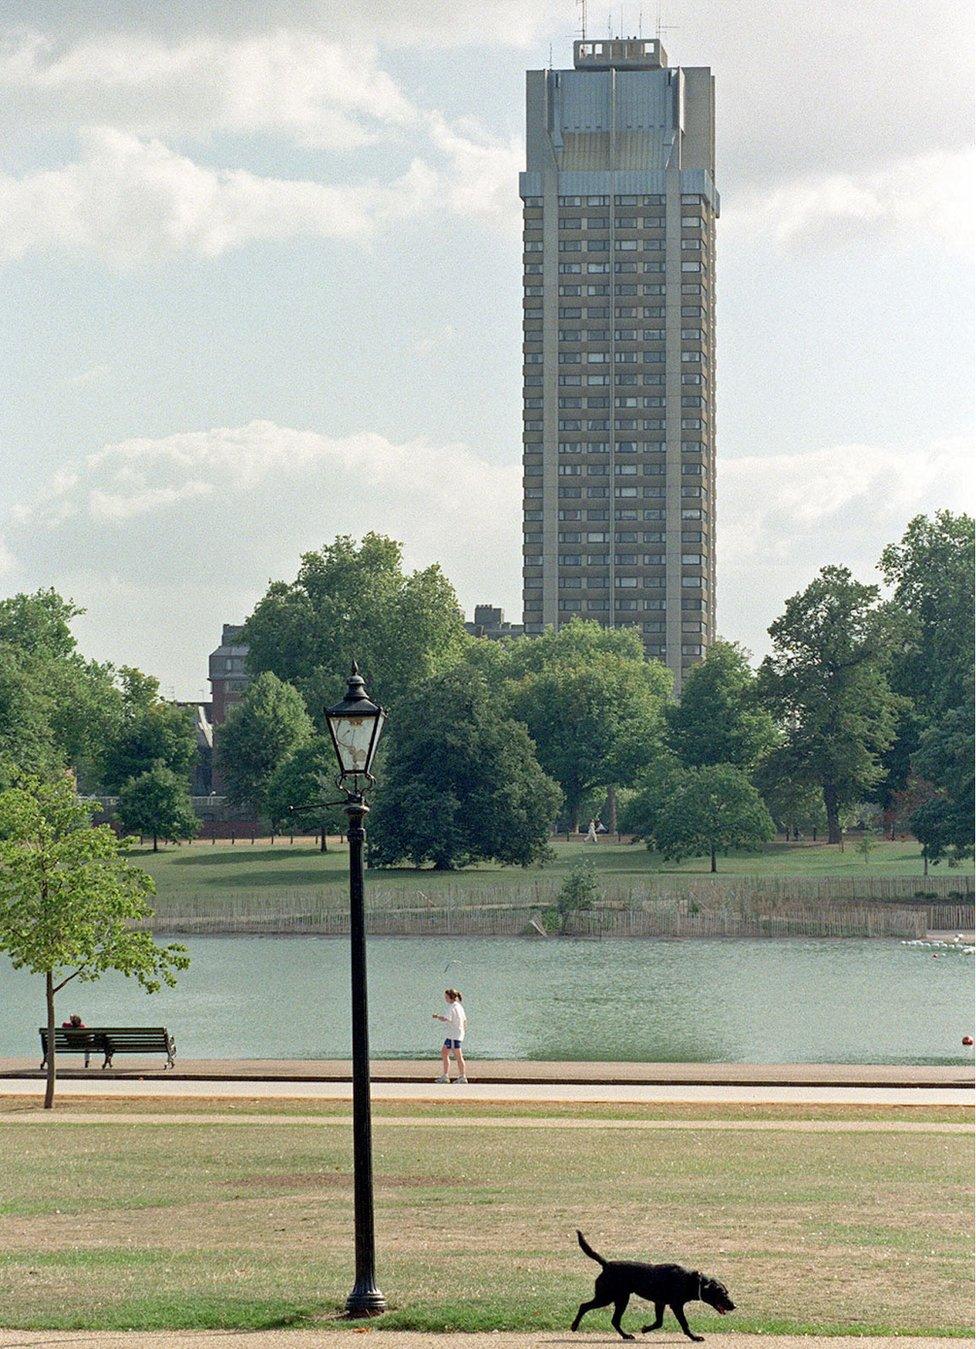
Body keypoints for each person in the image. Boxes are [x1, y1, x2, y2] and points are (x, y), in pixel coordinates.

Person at [433, 988, 468, 1083]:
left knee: (458, 1056)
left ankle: (462, 1076)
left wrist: (437, 1016)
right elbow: (465, 1021)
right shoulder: (459, 1007)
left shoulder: (452, 1007)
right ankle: (445, 1075)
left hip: (453, 1036)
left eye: (446, 997)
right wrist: (463, 1032)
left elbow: (446, 1019)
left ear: (450, 997)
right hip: (454, 1035)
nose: (445, 999)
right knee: (444, 1052)